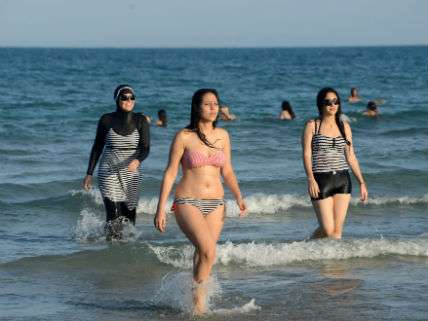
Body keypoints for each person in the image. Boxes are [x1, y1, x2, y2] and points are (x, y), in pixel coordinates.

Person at [154, 88, 247, 315]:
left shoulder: (223, 136)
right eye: (208, 104)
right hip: (187, 201)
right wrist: (161, 209)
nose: (214, 108)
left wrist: (238, 196)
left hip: (217, 203)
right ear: (197, 107)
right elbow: (169, 173)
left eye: (216, 103)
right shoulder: (184, 136)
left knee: (203, 254)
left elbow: (228, 171)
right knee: (208, 251)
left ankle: (194, 303)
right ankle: (198, 308)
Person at [83, 84, 150, 240]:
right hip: (109, 169)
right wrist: (89, 173)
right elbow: (97, 146)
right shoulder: (106, 120)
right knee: (113, 215)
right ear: (117, 99)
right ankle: (111, 249)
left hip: (132, 171)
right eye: (124, 97)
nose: (128, 100)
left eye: (131, 97)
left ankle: (126, 251)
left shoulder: (141, 121)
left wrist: (138, 160)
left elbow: (145, 147)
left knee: (129, 216)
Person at [302, 87, 368, 239]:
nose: (332, 105)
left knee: (336, 233)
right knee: (327, 230)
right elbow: (306, 154)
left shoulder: (344, 126)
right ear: (320, 104)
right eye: (328, 102)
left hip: (342, 180)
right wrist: (310, 178)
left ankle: (332, 262)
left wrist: (362, 182)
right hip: (320, 180)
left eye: (335, 101)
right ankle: (309, 245)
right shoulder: (312, 125)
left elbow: (351, 156)